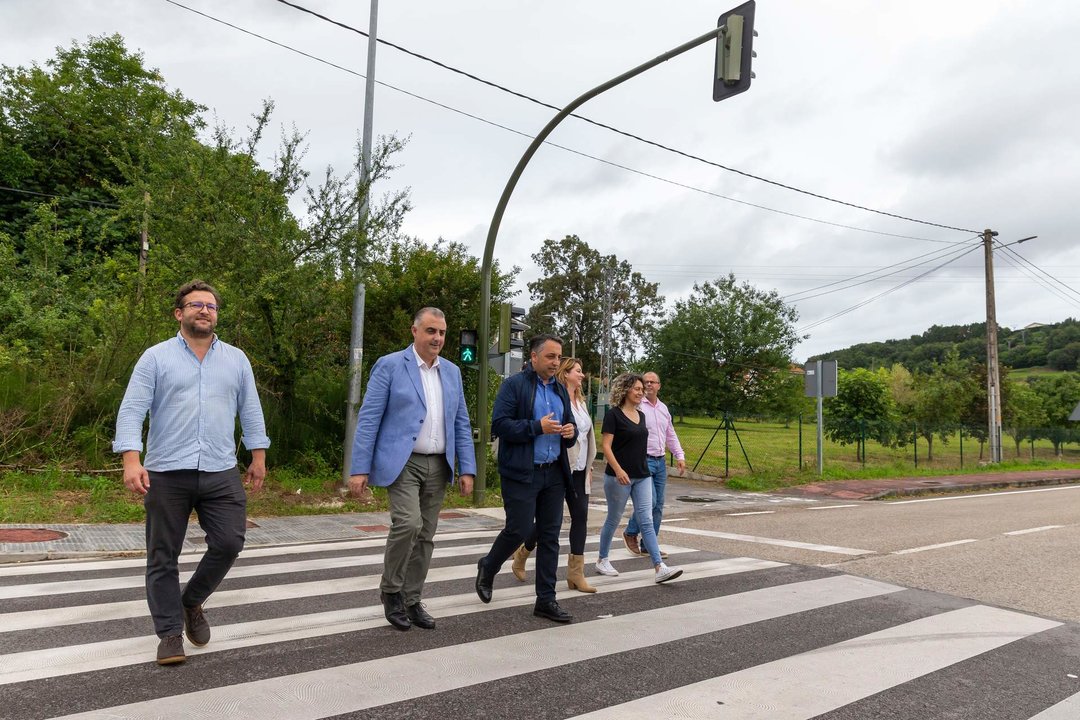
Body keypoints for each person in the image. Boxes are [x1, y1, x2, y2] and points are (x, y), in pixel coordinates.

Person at [113, 280, 270, 666]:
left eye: (211, 306)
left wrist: (258, 455)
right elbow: (132, 409)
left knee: (230, 542)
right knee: (163, 555)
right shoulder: (155, 357)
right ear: (178, 313)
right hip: (167, 471)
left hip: (220, 469)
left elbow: (250, 408)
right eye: (196, 305)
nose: (204, 310)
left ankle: (191, 601)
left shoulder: (236, 359)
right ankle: (169, 634)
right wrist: (131, 458)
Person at [348, 307, 475, 632]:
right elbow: (369, 418)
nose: (437, 338)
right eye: (431, 331)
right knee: (408, 523)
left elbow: (460, 421)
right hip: (402, 461)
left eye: (442, 333)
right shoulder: (390, 366)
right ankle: (391, 591)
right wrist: (359, 468)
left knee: (426, 535)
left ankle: (412, 598)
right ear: (415, 332)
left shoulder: (451, 372)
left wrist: (467, 468)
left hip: (439, 462)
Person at [475, 334, 578, 622]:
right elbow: (500, 425)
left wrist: (571, 433)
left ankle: (546, 600)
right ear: (533, 357)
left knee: (550, 537)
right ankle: (489, 565)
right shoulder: (514, 385)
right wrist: (536, 427)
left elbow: (569, 425)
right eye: (550, 357)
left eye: (558, 357)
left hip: (554, 473)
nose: (555, 362)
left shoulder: (560, 388)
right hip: (523, 472)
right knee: (519, 529)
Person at [510, 357, 597, 593]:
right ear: (565, 373)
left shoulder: (581, 402)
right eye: (578, 371)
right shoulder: (554, 398)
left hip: (579, 470)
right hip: (559, 468)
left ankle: (576, 574)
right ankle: (522, 553)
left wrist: (589, 466)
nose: (582, 375)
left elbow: (586, 436)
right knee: (550, 523)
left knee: (580, 518)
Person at [595, 373, 683, 584]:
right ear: (625, 390)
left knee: (647, 519)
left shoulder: (641, 415)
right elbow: (605, 446)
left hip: (642, 475)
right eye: (636, 389)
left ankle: (659, 567)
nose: (640, 392)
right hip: (619, 477)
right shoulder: (613, 415)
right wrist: (618, 470)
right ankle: (602, 559)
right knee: (613, 518)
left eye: (641, 389)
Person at [622, 371, 686, 559]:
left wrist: (679, 455)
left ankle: (649, 545)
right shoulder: (637, 407)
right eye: (645, 382)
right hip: (643, 460)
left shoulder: (663, 409)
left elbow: (670, 434)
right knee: (649, 502)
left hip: (660, 461)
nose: (648, 385)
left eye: (652, 382)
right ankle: (631, 532)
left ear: (659, 386)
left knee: (658, 505)